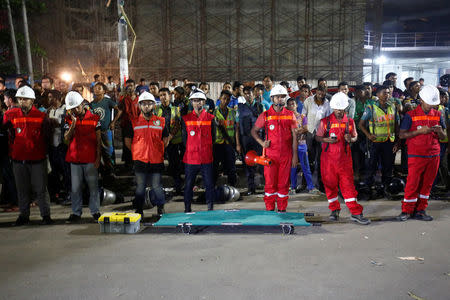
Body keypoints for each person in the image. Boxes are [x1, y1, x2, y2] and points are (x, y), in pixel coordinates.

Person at [316, 92, 370, 225]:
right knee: (330, 185)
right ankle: (334, 210)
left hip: (344, 161)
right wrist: (326, 139)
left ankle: (356, 213)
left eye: (341, 109)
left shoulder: (350, 122)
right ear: (333, 108)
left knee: (348, 186)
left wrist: (351, 139)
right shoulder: (325, 122)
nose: (339, 111)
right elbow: (317, 137)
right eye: (337, 109)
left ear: (345, 108)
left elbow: (355, 136)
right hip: (328, 161)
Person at [3, 86, 53, 225]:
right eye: (20, 99)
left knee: (41, 189)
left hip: (38, 159)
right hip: (18, 159)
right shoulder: (10, 115)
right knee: (22, 189)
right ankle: (23, 215)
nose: (22, 101)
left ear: (32, 101)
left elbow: (47, 137)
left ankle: (46, 215)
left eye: (25, 99)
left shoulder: (42, 116)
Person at [397, 85, 447, 221]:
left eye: (434, 103)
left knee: (427, 184)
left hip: (434, 155)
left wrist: (439, 131)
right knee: (412, 183)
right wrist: (419, 131)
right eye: (429, 103)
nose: (432, 106)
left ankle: (421, 210)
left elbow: (444, 136)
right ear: (421, 100)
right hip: (416, 154)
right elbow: (402, 135)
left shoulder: (438, 114)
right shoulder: (410, 115)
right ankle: (407, 210)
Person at [251, 84, 298, 212]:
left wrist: (295, 156)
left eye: (282, 97)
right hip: (270, 156)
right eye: (277, 97)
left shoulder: (290, 115)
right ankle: (270, 210)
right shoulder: (265, 115)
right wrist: (261, 143)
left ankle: (282, 210)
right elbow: (254, 131)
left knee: (283, 184)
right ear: (272, 98)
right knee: (270, 184)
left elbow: (295, 136)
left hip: (286, 156)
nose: (280, 99)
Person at [124, 92, 168, 217]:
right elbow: (127, 141)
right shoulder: (133, 122)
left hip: (156, 159)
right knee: (140, 187)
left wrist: (158, 150)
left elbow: (165, 139)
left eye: (149, 103)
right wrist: (136, 151)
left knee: (156, 186)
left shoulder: (161, 121)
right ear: (139, 106)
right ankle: (139, 210)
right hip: (140, 160)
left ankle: (160, 208)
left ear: (154, 105)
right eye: (143, 104)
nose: (146, 106)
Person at [63, 91, 101, 223]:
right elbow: (66, 139)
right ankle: (76, 212)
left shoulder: (95, 119)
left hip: (90, 159)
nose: (75, 110)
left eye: (77, 107)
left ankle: (95, 211)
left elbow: (98, 141)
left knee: (93, 187)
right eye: (72, 108)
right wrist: (73, 124)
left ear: (83, 104)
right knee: (75, 188)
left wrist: (98, 158)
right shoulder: (68, 119)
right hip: (75, 159)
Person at [358, 85, 400, 195]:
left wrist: (397, 141)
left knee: (388, 167)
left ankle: (386, 189)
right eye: (384, 93)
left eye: (388, 93)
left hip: (389, 142)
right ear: (378, 95)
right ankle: (369, 189)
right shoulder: (371, 108)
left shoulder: (393, 107)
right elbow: (361, 124)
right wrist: (368, 135)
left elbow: (396, 125)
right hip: (375, 142)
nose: (387, 95)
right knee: (371, 166)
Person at [181, 90, 216, 212]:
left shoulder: (211, 118)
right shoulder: (185, 119)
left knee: (209, 185)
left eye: (200, 100)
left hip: (206, 157)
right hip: (191, 158)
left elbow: (214, 137)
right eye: (195, 101)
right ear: (191, 102)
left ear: (204, 102)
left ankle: (210, 208)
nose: (198, 103)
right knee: (189, 185)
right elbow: (184, 140)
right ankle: (187, 208)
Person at [286, 98, 318, 195]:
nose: (292, 106)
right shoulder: (286, 118)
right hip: (290, 146)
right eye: (290, 104)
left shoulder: (302, 116)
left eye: (293, 104)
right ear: (287, 106)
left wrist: (295, 131)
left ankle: (311, 187)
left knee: (306, 167)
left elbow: (306, 128)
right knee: (293, 167)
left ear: (296, 105)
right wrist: (296, 131)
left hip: (302, 144)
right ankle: (292, 187)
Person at [90, 82, 122, 180]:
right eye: (95, 88)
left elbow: (119, 111)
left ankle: (111, 172)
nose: (96, 90)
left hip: (106, 131)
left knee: (109, 153)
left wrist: (113, 122)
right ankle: (102, 172)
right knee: (97, 152)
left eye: (99, 88)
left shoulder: (108, 101)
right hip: (95, 132)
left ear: (104, 91)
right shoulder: (91, 104)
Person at [302, 85, 331, 190]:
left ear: (325, 93)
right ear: (316, 92)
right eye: (319, 92)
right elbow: (303, 115)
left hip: (321, 134)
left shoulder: (328, 103)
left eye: (323, 92)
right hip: (309, 133)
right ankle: (305, 183)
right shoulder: (308, 101)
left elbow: (329, 118)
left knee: (320, 160)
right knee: (308, 159)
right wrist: (304, 128)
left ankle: (320, 184)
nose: (321, 94)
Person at [156, 88, 183, 195]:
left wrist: (169, 137)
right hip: (159, 142)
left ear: (169, 95)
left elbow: (177, 124)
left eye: (164, 95)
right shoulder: (156, 109)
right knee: (158, 166)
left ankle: (178, 187)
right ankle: (158, 189)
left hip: (173, 141)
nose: (163, 97)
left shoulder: (176, 109)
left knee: (175, 165)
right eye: (161, 95)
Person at [238, 86, 264, 195]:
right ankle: (251, 188)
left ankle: (267, 186)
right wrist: (238, 143)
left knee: (262, 162)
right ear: (244, 95)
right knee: (248, 163)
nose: (248, 95)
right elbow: (237, 126)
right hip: (246, 138)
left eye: (250, 93)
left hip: (258, 138)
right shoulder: (240, 108)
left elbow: (264, 123)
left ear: (254, 94)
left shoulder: (260, 106)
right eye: (246, 93)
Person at [213, 90, 241, 187]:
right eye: (224, 98)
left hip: (229, 143)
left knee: (231, 167)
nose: (226, 101)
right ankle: (212, 189)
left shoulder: (233, 113)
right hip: (217, 144)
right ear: (220, 99)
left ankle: (233, 188)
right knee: (215, 167)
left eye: (228, 99)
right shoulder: (213, 113)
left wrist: (237, 144)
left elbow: (236, 129)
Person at [47, 90, 70, 203]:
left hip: (62, 145)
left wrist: (58, 123)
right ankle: (57, 193)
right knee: (54, 172)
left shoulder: (66, 109)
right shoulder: (50, 110)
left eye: (51, 97)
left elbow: (68, 125)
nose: (49, 99)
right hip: (52, 145)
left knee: (65, 170)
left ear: (57, 98)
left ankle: (68, 192)